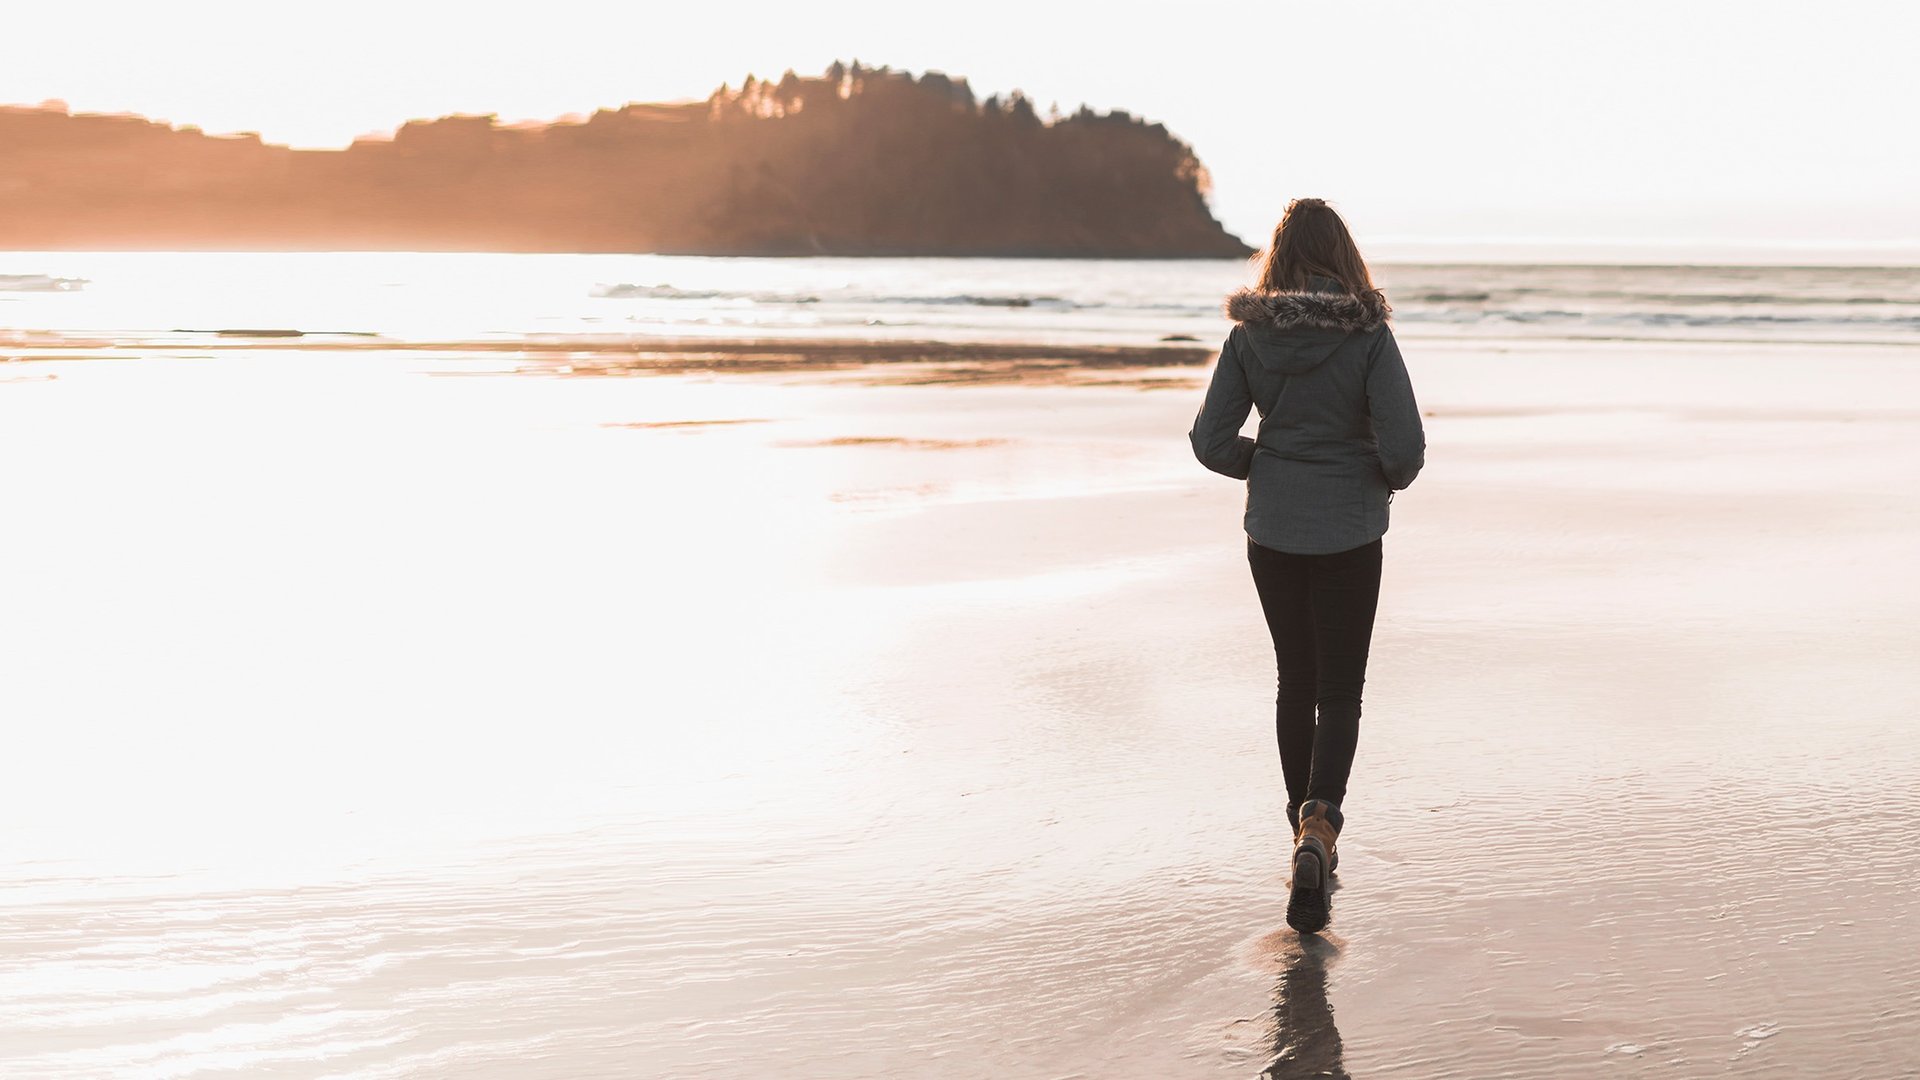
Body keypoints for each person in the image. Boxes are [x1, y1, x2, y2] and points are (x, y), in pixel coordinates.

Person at [1187, 197, 1425, 934]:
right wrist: (1369, 475)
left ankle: (1302, 829)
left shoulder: (1249, 336)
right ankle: (1321, 826)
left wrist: (1269, 466)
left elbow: (1209, 440)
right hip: (1350, 529)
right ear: (1344, 254)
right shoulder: (1368, 335)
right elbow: (1406, 452)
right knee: (1341, 689)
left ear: (1279, 257)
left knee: (1296, 680)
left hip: (1274, 529)